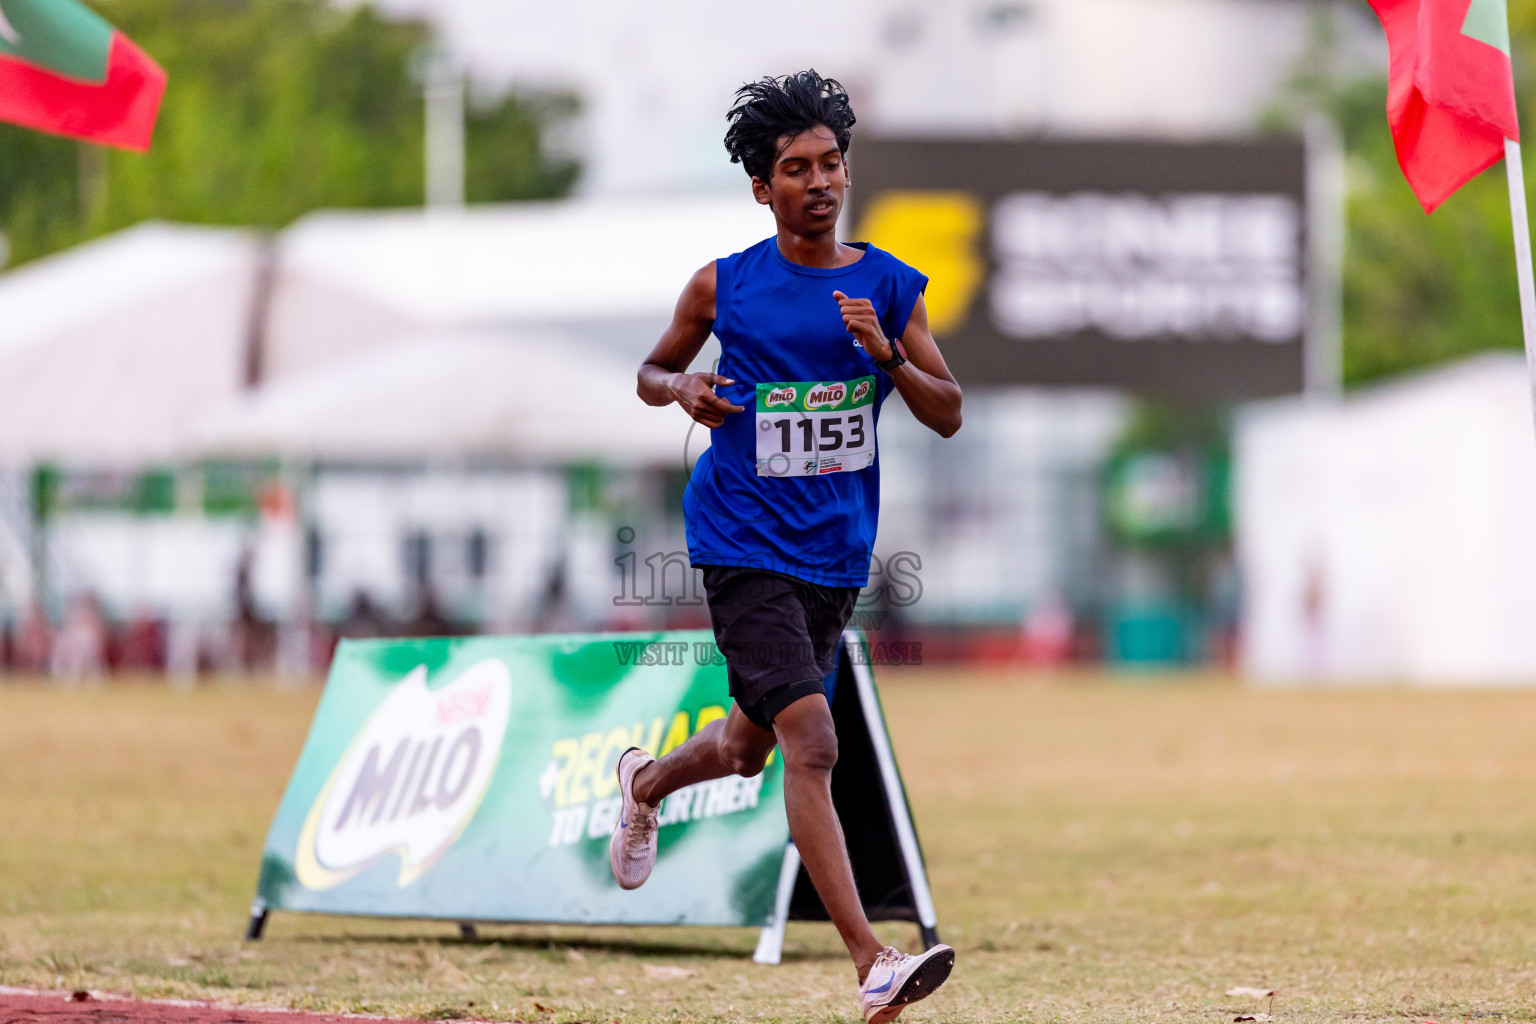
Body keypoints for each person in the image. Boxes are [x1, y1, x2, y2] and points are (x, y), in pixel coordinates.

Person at [619, 70, 963, 1023]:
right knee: (811, 741)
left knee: (747, 746)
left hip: (835, 556)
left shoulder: (889, 287)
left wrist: (886, 357)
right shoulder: (725, 285)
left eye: (832, 163)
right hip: (738, 541)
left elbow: (948, 413)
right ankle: (872, 964)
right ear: (762, 188)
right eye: (797, 168)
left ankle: (645, 785)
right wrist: (683, 391)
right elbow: (652, 369)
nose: (819, 181)